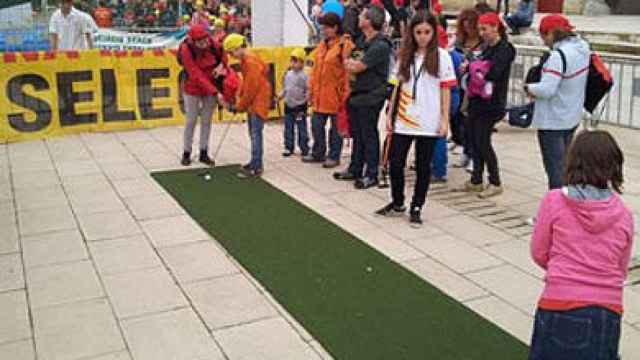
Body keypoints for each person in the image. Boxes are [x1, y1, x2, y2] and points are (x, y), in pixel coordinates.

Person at [529, 130, 634, 360]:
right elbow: (621, 267)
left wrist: (561, 267)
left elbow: (538, 251)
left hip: (559, 300)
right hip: (608, 308)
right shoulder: (624, 215)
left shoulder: (554, 201)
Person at [376, 11, 455, 227]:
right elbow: (396, 86)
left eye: (427, 32)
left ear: (434, 32)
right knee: (396, 162)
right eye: (418, 32)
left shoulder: (442, 56)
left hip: (428, 120)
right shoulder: (404, 55)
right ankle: (398, 201)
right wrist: (390, 114)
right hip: (403, 118)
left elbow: (446, 89)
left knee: (422, 166)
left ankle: (417, 206)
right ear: (412, 32)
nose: (422, 36)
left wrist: (445, 119)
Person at [525, 15, 590, 190]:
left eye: (543, 36)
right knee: (564, 166)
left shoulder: (558, 56)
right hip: (572, 116)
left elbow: (547, 89)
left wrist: (529, 88)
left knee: (555, 170)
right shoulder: (583, 49)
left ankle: (557, 212)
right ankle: (568, 205)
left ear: (551, 34)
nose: (543, 41)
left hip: (553, 120)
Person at [459, 11, 515, 198]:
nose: (481, 33)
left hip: (492, 103)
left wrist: (475, 68)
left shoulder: (505, 49)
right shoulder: (485, 48)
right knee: (474, 140)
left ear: (495, 27)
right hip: (477, 98)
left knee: (483, 141)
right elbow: (478, 69)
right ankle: (476, 178)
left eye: (484, 29)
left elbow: (493, 73)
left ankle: (495, 181)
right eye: (480, 29)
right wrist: (472, 67)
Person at [334, 5, 391, 189]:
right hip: (357, 93)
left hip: (372, 95)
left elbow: (357, 66)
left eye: (362, 16)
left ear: (369, 21)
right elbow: (348, 62)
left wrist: (351, 63)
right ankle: (355, 168)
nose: (358, 17)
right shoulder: (362, 41)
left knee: (369, 134)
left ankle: (372, 173)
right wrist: (350, 63)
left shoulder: (380, 45)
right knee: (357, 133)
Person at [305, 12, 353, 168]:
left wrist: (345, 95)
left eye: (326, 27)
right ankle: (318, 152)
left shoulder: (344, 46)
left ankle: (334, 156)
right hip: (319, 96)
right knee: (316, 125)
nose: (323, 30)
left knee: (336, 130)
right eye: (322, 27)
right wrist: (310, 90)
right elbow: (315, 70)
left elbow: (347, 73)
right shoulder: (322, 45)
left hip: (336, 96)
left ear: (335, 27)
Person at [223, 33, 273, 178]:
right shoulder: (248, 58)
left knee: (256, 133)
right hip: (255, 101)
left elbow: (251, 88)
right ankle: (254, 161)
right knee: (253, 132)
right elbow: (246, 84)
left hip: (258, 102)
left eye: (232, 52)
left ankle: (256, 166)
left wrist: (240, 106)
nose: (232, 56)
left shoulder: (250, 62)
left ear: (238, 48)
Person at [179, 25, 228, 167]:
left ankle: (204, 152)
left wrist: (221, 66)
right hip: (192, 88)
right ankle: (186, 152)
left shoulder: (212, 43)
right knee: (191, 120)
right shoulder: (186, 50)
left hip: (210, 89)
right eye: (200, 42)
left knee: (207, 120)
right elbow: (195, 75)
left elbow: (224, 55)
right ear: (193, 41)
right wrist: (215, 92)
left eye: (205, 40)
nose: (205, 44)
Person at [452, 7, 482, 170]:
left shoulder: (483, 43)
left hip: (476, 87)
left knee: (475, 123)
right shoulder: (459, 42)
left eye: (470, 25)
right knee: (462, 121)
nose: (467, 29)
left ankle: (474, 157)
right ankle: (466, 150)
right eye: (464, 25)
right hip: (461, 85)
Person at [431, 25, 462, 184]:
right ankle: (435, 166)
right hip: (451, 96)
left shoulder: (442, 56)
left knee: (438, 133)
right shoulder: (453, 55)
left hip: (445, 95)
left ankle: (438, 170)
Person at [279, 48, 311, 157]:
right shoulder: (288, 74)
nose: (293, 64)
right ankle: (289, 147)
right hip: (288, 106)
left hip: (300, 107)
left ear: (302, 62)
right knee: (288, 128)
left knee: (301, 127)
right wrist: (280, 95)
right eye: (292, 61)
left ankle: (304, 147)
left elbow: (308, 88)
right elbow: (285, 88)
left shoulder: (304, 76)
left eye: (296, 61)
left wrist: (308, 97)